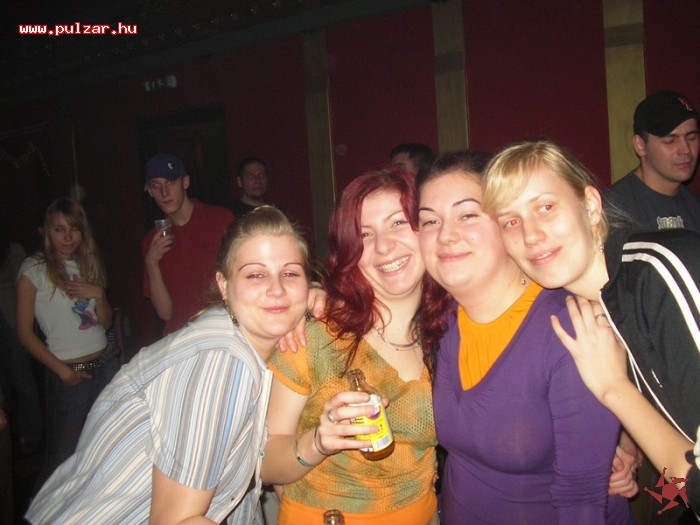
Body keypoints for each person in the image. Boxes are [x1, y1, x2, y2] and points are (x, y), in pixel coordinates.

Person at [25, 206, 312, 524]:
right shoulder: (223, 362)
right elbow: (176, 520)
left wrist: (318, 442)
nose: (277, 289)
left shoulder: (234, 335)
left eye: (290, 274)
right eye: (256, 274)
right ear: (224, 285)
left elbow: (258, 466)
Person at [481, 139, 700, 520]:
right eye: (510, 222)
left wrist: (613, 389)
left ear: (591, 205)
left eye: (545, 207)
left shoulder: (663, 273)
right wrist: (630, 445)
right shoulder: (592, 308)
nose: (531, 235)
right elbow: (680, 473)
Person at [417, 151, 630, 524]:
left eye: (468, 215)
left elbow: (581, 500)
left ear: (506, 224)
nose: (446, 235)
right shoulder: (442, 319)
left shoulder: (570, 328)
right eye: (430, 221)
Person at [262, 168, 447, 525]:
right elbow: (264, 461)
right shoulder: (316, 335)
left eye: (398, 223)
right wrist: (318, 441)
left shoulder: (448, 332)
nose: (384, 246)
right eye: (365, 234)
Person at [16, 197, 120, 490]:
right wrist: (62, 371)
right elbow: (24, 333)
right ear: (47, 231)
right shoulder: (33, 269)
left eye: (74, 229)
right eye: (59, 229)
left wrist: (99, 293)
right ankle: (43, 511)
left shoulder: (87, 264)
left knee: (104, 448)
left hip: (106, 366)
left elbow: (106, 323)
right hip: (70, 374)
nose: (67, 237)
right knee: (61, 461)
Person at [605, 90, 700, 267]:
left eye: (692, 137)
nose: (686, 150)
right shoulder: (613, 211)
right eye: (670, 140)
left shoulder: (694, 205)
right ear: (640, 145)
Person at [143, 152, 234, 336]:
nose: (165, 192)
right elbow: (165, 313)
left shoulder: (221, 219)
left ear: (185, 182)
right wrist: (152, 263)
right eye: (156, 186)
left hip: (224, 331)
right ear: (150, 192)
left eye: (171, 182)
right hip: (181, 339)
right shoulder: (152, 240)